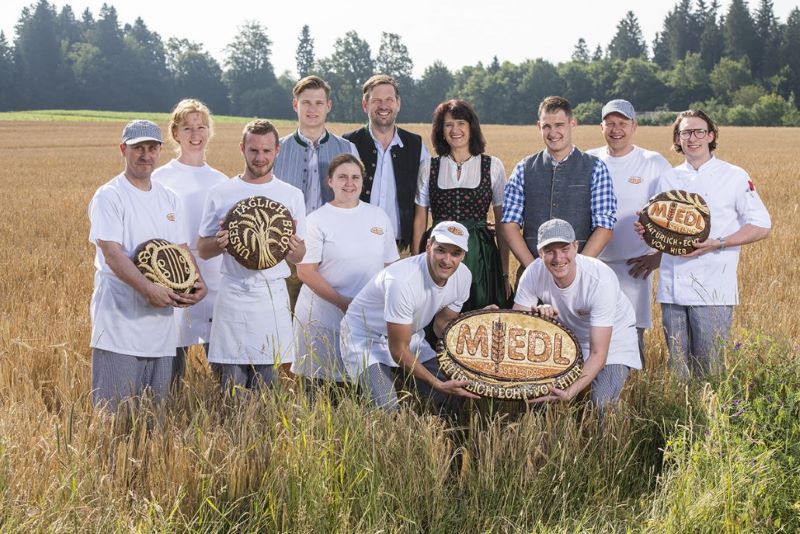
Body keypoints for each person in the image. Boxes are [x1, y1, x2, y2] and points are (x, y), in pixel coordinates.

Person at [88, 120, 207, 408]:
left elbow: (180, 249)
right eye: (137, 147)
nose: (145, 154)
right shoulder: (110, 195)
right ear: (123, 150)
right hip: (120, 321)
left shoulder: (169, 198)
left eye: (151, 148)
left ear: (159, 151)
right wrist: (147, 289)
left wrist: (197, 282)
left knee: (154, 416)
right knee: (116, 413)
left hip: (161, 325)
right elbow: (112, 254)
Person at [645, 110, 771, 378]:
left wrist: (718, 243)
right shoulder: (667, 178)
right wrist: (645, 230)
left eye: (698, 131)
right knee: (678, 371)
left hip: (713, 286)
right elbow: (658, 226)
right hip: (672, 288)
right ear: (677, 139)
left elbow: (761, 225)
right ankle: (683, 418)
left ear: (711, 135)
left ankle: (712, 418)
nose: (692, 138)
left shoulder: (734, 176)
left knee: (710, 372)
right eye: (685, 133)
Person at [197, 119, 307, 391]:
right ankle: (234, 431)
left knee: (267, 382)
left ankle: (262, 432)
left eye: (266, 151)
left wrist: (295, 250)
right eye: (254, 150)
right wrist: (220, 243)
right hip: (233, 293)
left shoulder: (291, 195)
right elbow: (202, 248)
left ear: (277, 151)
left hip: (271, 297)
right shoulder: (221, 193)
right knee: (232, 383)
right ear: (242, 148)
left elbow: (300, 256)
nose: (260, 158)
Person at [340, 221, 479, 412]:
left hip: (409, 336)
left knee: (450, 396)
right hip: (365, 338)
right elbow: (398, 350)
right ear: (428, 246)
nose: (447, 260)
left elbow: (441, 325)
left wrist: (477, 321)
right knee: (386, 408)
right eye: (441, 250)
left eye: (455, 253)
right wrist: (435, 383)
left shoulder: (463, 276)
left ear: (463, 255)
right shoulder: (402, 281)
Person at [292, 153, 399, 388]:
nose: (349, 183)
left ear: (363, 181)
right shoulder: (316, 220)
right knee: (320, 391)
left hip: (367, 319)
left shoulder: (378, 216)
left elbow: (390, 267)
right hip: (323, 317)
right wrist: (343, 302)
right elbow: (305, 272)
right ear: (329, 181)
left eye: (355, 177)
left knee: (363, 389)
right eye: (342, 177)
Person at [513, 219, 640, 407]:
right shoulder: (533, 272)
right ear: (540, 253)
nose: (558, 258)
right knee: (537, 398)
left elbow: (599, 352)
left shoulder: (599, 279)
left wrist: (569, 392)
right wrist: (536, 320)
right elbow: (516, 328)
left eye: (564, 249)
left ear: (575, 247)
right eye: (549, 251)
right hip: (569, 340)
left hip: (613, 340)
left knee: (602, 402)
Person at [586, 99, 674, 363]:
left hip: (634, 266)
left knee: (631, 333)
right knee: (591, 331)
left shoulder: (653, 162)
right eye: (610, 123)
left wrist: (658, 257)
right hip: (593, 264)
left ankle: (634, 394)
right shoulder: (589, 159)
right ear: (601, 127)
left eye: (623, 123)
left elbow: (673, 215)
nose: (616, 129)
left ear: (634, 126)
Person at [151, 98, 227, 384]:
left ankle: (227, 415)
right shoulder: (161, 178)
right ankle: (169, 412)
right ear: (175, 134)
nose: (196, 135)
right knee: (173, 356)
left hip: (213, 276)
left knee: (220, 355)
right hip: (174, 274)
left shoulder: (220, 180)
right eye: (188, 128)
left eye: (201, 127)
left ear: (209, 131)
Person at [499, 96, 617, 278]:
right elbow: (509, 224)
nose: (553, 132)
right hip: (533, 276)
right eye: (547, 126)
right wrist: (533, 270)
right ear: (539, 127)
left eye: (559, 125)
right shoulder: (524, 168)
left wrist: (579, 271)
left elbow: (604, 227)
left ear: (572, 124)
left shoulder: (595, 168)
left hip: (581, 277)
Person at [412, 99, 509, 311]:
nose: (455, 130)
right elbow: (420, 219)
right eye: (448, 125)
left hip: (479, 255)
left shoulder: (492, 166)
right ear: (441, 131)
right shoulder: (429, 166)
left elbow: (502, 222)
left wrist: (503, 269)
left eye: (461, 123)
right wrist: (414, 262)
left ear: (471, 127)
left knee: (479, 315)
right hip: (438, 252)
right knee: (434, 312)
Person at [272, 75, 358, 308]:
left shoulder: (347, 148)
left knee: (327, 318)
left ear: (328, 106)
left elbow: (354, 201)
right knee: (285, 318)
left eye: (319, 103)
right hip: (286, 250)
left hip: (332, 251)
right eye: (306, 102)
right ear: (295, 105)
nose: (312, 109)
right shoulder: (276, 149)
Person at [343, 74, 428, 249]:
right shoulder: (348, 144)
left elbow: (426, 199)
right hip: (354, 246)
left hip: (400, 250)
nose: (383, 106)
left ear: (398, 104)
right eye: (376, 100)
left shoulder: (416, 146)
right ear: (365, 104)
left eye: (389, 99)